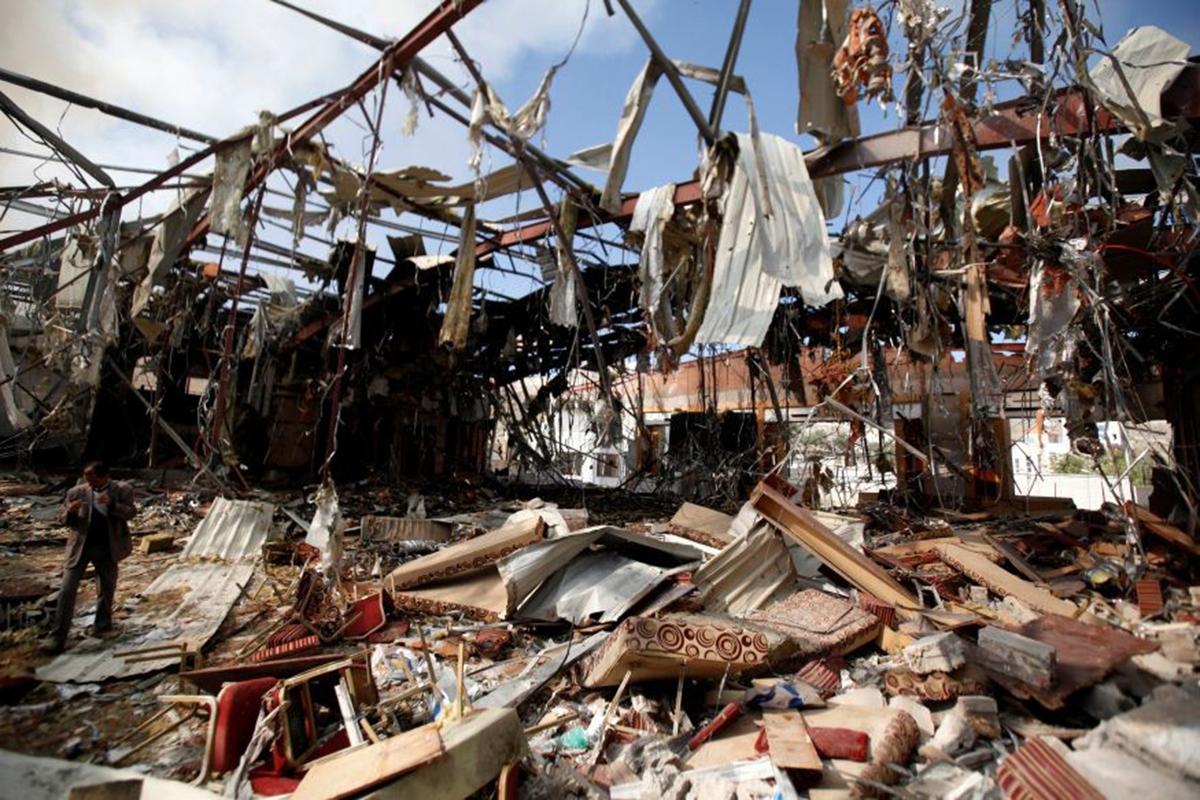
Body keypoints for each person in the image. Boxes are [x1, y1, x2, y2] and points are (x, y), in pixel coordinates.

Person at [42, 461, 136, 654]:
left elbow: (130, 513)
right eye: (88, 481)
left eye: (94, 481)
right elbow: (62, 518)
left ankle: (102, 625)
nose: (90, 485)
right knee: (67, 591)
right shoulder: (76, 492)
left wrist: (112, 505)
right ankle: (57, 636)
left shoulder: (121, 490)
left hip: (108, 547)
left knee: (106, 588)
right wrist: (70, 512)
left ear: (105, 477)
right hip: (80, 548)